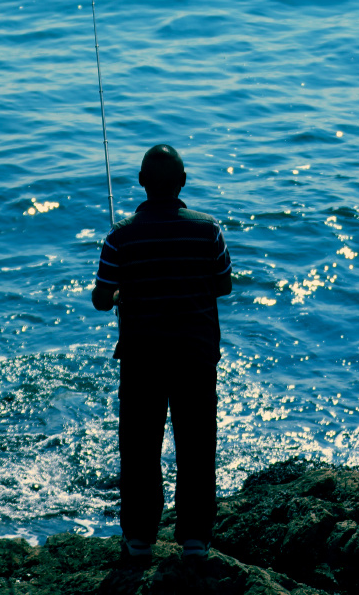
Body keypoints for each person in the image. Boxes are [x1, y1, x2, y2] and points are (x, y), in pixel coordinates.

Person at [91, 143, 232, 563]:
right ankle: (195, 540)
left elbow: (101, 299)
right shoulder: (209, 230)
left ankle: (139, 538)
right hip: (196, 355)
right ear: (183, 182)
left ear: (141, 184)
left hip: (142, 358)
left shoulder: (120, 236)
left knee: (139, 447)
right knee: (197, 445)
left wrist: (121, 291)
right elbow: (222, 284)